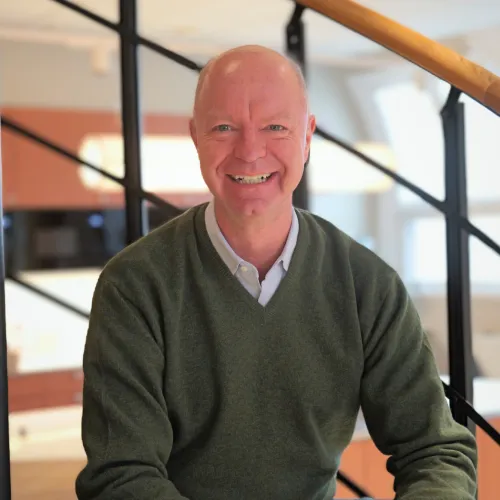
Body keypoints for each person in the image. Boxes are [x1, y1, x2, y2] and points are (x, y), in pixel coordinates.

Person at [75, 45, 477, 500]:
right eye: (225, 127)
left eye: (275, 127)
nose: (250, 151)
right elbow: (121, 475)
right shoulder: (134, 286)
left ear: (307, 136)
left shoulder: (369, 286)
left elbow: (435, 451)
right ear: (195, 137)